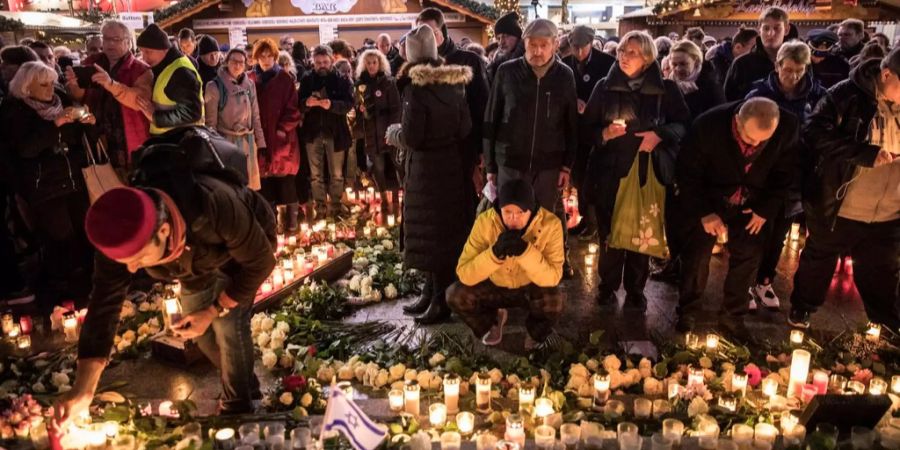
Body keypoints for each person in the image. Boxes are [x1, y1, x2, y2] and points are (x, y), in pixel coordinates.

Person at [53, 147, 277, 423]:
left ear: (163, 231)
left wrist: (214, 309)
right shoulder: (120, 240)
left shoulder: (215, 206)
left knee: (228, 323)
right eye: (126, 263)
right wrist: (83, 389)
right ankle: (244, 382)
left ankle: (239, 404)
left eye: (139, 259)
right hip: (192, 260)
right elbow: (103, 306)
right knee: (202, 335)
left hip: (243, 249)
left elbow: (261, 262)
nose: (132, 269)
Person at [789, 48, 900, 331]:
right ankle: (803, 308)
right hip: (842, 201)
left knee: (882, 269)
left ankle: (885, 324)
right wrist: (863, 153)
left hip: (890, 208)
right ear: (887, 75)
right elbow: (814, 132)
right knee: (819, 259)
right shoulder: (846, 94)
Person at [582, 30, 690, 310]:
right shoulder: (604, 87)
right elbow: (585, 131)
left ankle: (635, 290)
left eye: (631, 52)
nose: (623, 57)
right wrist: (604, 133)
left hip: (646, 174)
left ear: (647, 56)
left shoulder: (666, 89)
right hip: (610, 173)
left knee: (642, 234)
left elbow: (684, 125)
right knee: (610, 235)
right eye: (621, 51)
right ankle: (607, 286)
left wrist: (660, 135)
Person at [675, 98, 799, 338]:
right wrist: (704, 212)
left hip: (754, 203)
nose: (756, 144)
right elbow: (687, 173)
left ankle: (733, 316)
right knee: (697, 257)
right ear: (738, 121)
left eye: (763, 140)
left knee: (748, 258)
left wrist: (765, 209)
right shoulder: (709, 125)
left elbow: (786, 172)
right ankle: (688, 310)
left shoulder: (788, 126)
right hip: (710, 199)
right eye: (750, 138)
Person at [388, 24, 472, 324]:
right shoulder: (455, 82)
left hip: (424, 170)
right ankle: (430, 292)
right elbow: (465, 127)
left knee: (430, 235)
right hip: (450, 165)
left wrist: (395, 133)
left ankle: (440, 302)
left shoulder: (415, 87)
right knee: (442, 234)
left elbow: (412, 136)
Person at [484, 19, 579, 279]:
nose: (537, 51)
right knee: (510, 216)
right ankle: (508, 270)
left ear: (555, 45)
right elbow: (492, 119)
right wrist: (491, 166)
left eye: (543, 45)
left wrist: (566, 165)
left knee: (544, 219)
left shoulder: (564, 76)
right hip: (510, 161)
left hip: (548, 164)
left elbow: (571, 124)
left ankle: (545, 271)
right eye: (532, 45)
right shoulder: (506, 71)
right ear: (524, 44)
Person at [0, 61, 96, 313]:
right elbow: (25, 149)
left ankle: (89, 292)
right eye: (42, 84)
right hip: (45, 186)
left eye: (51, 83)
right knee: (59, 240)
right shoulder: (15, 110)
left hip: (74, 179)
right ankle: (62, 299)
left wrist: (86, 123)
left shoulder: (61, 99)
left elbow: (76, 140)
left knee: (84, 233)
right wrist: (55, 126)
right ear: (25, 86)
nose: (49, 89)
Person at [744, 41, 824, 312]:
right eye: (787, 69)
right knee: (754, 231)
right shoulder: (759, 92)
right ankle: (744, 281)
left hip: (796, 173)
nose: (792, 76)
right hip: (763, 172)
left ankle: (764, 279)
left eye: (799, 71)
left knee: (779, 232)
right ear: (777, 65)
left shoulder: (816, 95)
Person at [448, 179, 565, 350]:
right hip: (495, 285)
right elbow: (464, 272)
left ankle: (535, 333)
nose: (513, 218)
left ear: (530, 209)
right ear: (499, 208)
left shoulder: (551, 224)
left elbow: (553, 276)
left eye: (520, 212)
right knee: (455, 295)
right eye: (507, 211)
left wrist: (525, 252)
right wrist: (494, 254)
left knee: (555, 300)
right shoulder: (485, 222)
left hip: (529, 287)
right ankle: (492, 322)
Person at [415, 8, 490, 211]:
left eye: (430, 33)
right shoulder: (419, 65)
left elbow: (482, 105)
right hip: (434, 149)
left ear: (442, 32)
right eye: (420, 33)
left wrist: (482, 149)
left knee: (466, 197)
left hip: (464, 145)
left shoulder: (468, 60)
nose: (426, 39)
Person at [64, 19, 152, 169]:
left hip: (129, 141)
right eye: (106, 38)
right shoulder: (91, 63)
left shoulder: (140, 69)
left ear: (128, 42)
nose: (110, 44)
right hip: (96, 136)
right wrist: (73, 85)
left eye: (116, 39)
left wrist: (111, 84)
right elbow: (80, 97)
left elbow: (140, 101)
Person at [563, 25, 616, 242]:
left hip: (598, 129)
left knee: (594, 178)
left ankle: (596, 222)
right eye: (574, 47)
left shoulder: (606, 64)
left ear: (591, 43)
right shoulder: (565, 64)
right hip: (574, 129)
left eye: (582, 47)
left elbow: (612, 94)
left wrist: (594, 108)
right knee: (578, 176)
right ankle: (584, 218)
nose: (578, 52)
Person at [249, 38, 302, 231]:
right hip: (260, 137)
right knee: (265, 183)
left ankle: (292, 224)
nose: (265, 59)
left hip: (281, 138)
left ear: (275, 56)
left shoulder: (284, 79)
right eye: (261, 56)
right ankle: (274, 223)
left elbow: (293, 108)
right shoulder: (250, 79)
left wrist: (282, 129)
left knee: (285, 181)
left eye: (269, 55)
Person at [298, 44, 354, 219]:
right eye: (318, 62)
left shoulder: (342, 80)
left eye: (325, 62)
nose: (321, 65)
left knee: (336, 174)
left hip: (335, 132)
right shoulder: (307, 80)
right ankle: (320, 207)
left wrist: (332, 105)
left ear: (331, 61)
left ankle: (336, 206)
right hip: (313, 132)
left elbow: (348, 104)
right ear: (312, 62)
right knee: (315, 175)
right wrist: (307, 103)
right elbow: (298, 104)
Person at [205, 48, 267, 191]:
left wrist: (261, 142)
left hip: (249, 143)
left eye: (241, 62)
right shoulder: (214, 86)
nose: (238, 65)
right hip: (227, 142)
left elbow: (256, 115)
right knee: (232, 186)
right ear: (226, 62)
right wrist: (213, 148)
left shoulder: (250, 85)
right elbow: (211, 123)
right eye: (234, 61)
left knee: (250, 186)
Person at [135, 23, 204, 136]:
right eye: (142, 52)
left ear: (164, 49)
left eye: (148, 52)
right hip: (172, 141)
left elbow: (192, 112)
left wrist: (156, 117)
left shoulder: (180, 72)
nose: (144, 57)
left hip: (180, 142)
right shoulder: (164, 65)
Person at [353, 49, 400, 194]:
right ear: (364, 64)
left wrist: (393, 129)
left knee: (397, 163)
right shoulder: (360, 84)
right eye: (368, 63)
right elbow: (355, 105)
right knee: (377, 166)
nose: (372, 66)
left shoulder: (389, 82)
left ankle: (402, 193)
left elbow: (396, 107)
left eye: (374, 62)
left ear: (380, 63)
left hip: (387, 129)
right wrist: (359, 108)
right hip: (371, 131)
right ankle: (382, 194)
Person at [724, 7, 790, 101]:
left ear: (786, 30)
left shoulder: (797, 63)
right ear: (760, 30)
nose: (771, 33)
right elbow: (729, 101)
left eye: (777, 28)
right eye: (766, 28)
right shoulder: (742, 64)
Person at [666, 40, 726, 119]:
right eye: (674, 64)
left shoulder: (712, 84)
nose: (678, 68)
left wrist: (692, 96)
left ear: (696, 61)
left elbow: (718, 116)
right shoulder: (669, 83)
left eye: (683, 64)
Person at [487, 12, 524, 83]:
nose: (501, 42)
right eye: (498, 38)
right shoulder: (497, 60)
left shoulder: (528, 61)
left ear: (517, 37)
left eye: (506, 36)